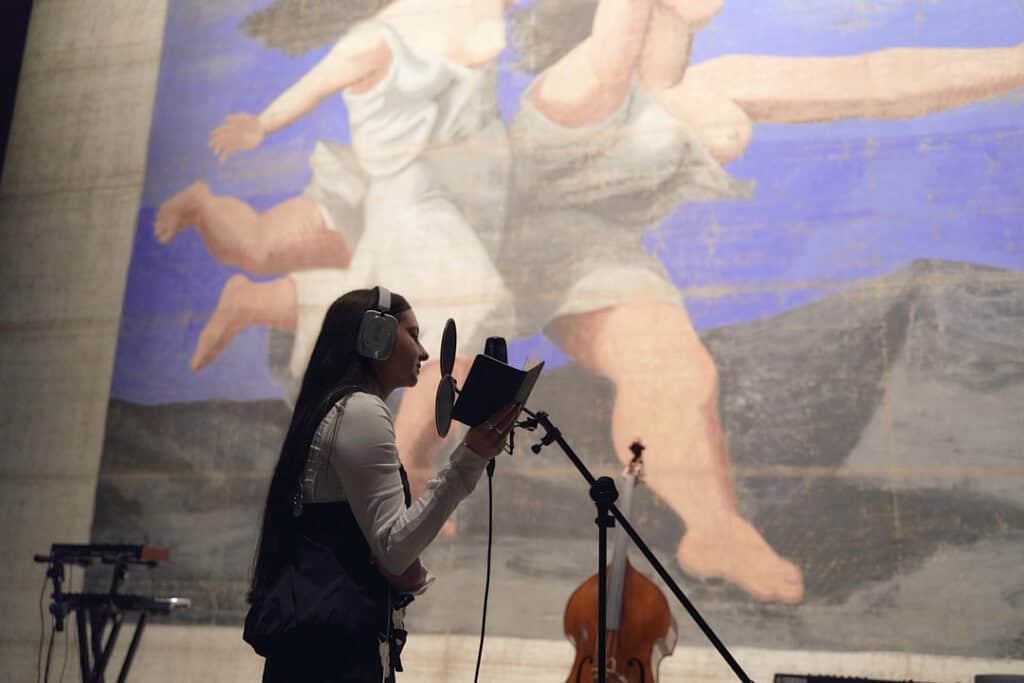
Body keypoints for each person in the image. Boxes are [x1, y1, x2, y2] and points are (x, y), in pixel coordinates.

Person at [245, 287, 517, 682]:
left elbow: (377, 548)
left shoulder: (336, 407)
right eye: (413, 334)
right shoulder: (359, 409)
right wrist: (469, 458)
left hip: (316, 652)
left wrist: (400, 572)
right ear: (376, 335)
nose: (424, 353)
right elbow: (393, 548)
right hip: (335, 660)